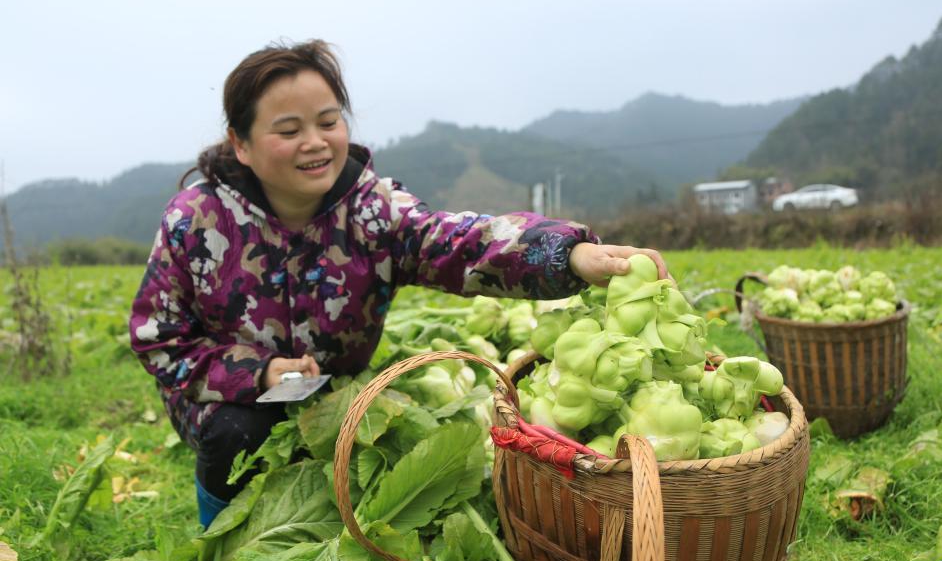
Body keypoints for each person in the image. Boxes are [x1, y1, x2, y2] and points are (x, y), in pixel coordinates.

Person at [129, 39, 670, 527]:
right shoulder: (196, 220)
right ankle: (219, 543)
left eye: (328, 121)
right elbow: (159, 337)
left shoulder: (373, 211)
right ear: (241, 143)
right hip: (222, 397)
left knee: (346, 464)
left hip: (333, 393)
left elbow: (459, 242)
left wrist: (569, 254)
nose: (315, 143)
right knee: (237, 434)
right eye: (288, 131)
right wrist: (259, 372)